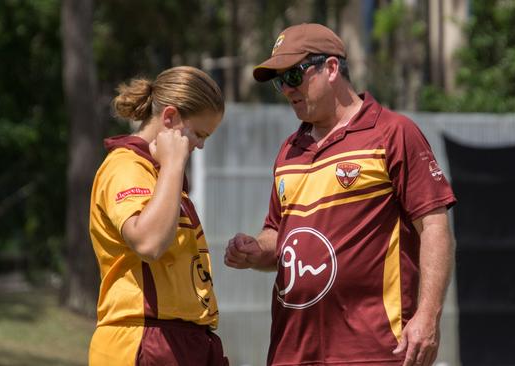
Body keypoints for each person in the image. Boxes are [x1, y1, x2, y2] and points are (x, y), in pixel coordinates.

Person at [224, 23, 457, 366]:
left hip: (373, 352)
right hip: (292, 352)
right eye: (279, 81)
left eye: (294, 75)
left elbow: (435, 229)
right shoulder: (289, 151)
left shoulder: (393, 133)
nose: (286, 90)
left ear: (331, 68)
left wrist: (427, 317)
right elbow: (279, 235)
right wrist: (256, 249)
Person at [88, 66, 228, 366]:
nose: (200, 146)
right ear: (169, 118)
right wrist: (174, 164)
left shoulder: (164, 176)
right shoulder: (125, 167)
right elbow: (149, 243)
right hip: (145, 341)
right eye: (199, 134)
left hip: (185, 340)